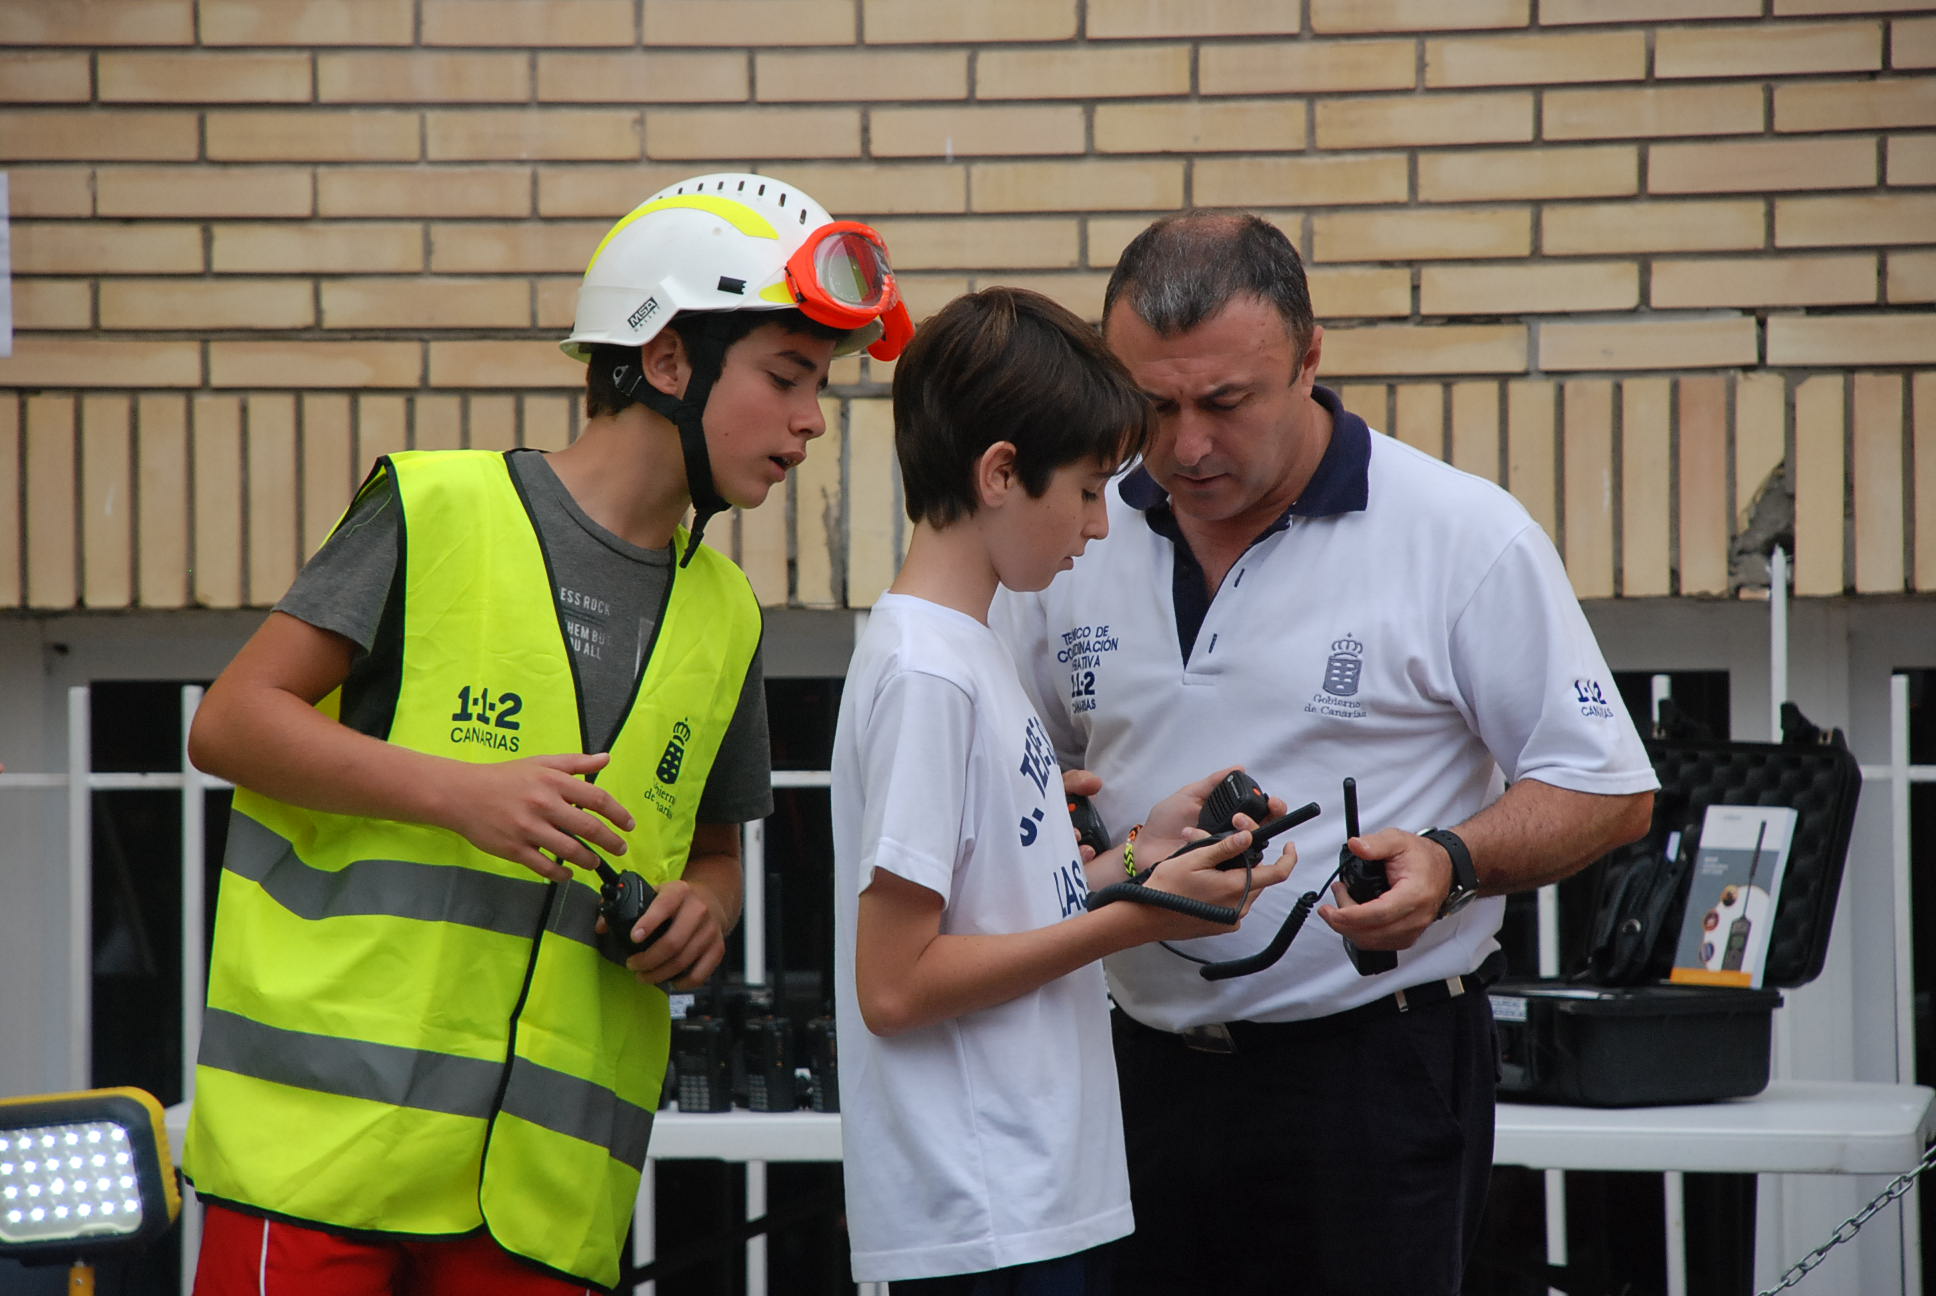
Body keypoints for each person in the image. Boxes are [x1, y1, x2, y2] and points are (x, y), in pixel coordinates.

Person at [180, 172, 913, 1295]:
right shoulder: (433, 510)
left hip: (542, 1206)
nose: (814, 418)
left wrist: (703, 917)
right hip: (321, 1164)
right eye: (785, 377)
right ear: (668, 360)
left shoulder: (725, 617)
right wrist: (460, 794)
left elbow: (716, 858)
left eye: (820, 384)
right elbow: (231, 723)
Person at [989, 212, 1660, 1296]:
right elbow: (1022, 776)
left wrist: (1451, 861)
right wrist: (1063, 831)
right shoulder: (1070, 526)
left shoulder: (1459, 533)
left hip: (1371, 1079)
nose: (1184, 446)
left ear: (1310, 359)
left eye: (1224, 402)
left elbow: (1608, 788)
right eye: (1150, 405)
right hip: (1123, 1068)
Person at [832, 286, 1296, 1294]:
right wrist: (1138, 917)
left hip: (1030, 1189)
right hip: (978, 1204)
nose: (1099, 525)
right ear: (1001, 472)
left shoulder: (968, 647)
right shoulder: (928, 673)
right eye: (1087, 490)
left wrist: (1136, 856)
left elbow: (991, 907)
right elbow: (896, 985)